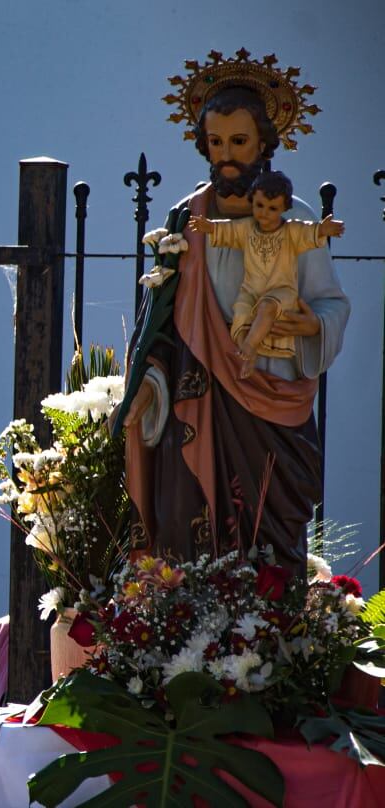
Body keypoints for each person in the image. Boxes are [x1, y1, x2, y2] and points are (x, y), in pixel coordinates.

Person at [123, 66, 350, 573]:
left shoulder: (294, 219)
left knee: (271, 536)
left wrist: (311, 326)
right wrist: (149, 380)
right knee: (185, 525)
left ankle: (267, 636)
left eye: (239, 141)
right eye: (216, 141)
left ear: (264, 142)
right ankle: (191, 641)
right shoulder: (187, 220)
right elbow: (160, 321)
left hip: (271, 395)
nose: (225, 154)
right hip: (197, 400)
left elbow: (331, 302)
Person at [189, 170, 345, 378]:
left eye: (272, 209)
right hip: (250, 291)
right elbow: (228, 230)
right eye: (259, 206)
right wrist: (208, 226)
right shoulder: (247, 228)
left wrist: (323, 229)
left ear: (284, 209)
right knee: (242, 312)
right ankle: (247, 353)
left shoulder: (292, 230)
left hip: (281, 292)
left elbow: (310, 232)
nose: (264, 213)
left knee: (267, 307)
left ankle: (250, 347)